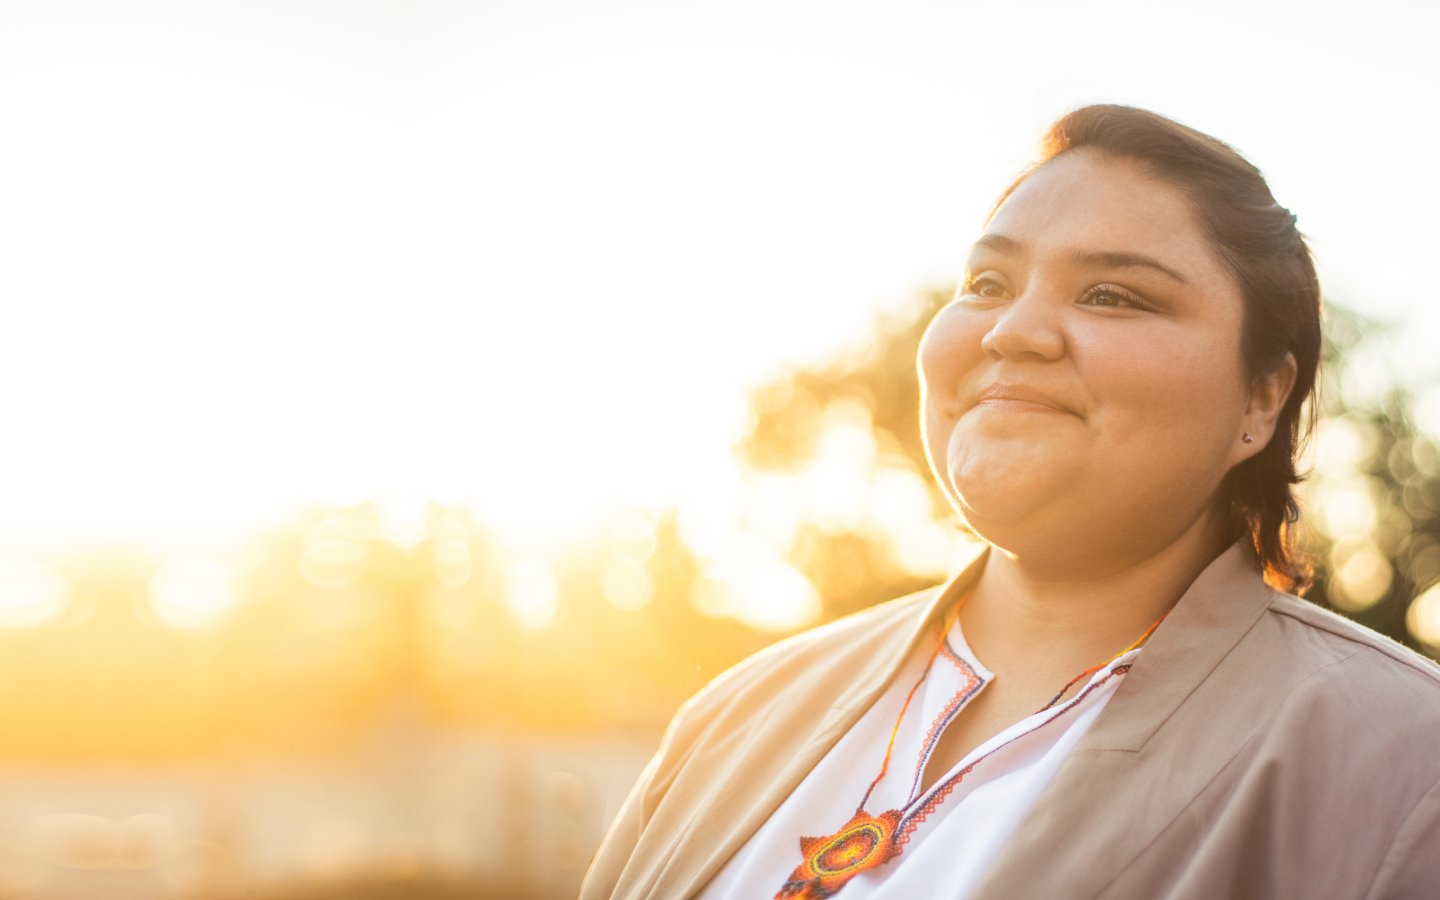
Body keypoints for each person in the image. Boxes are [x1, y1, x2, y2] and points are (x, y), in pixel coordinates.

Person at [579, 105, 1440, 899]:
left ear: (1261, 397)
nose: (1012, 330)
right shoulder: (739, 715)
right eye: (988, 285)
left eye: (1112, 294)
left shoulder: (1402, 764)